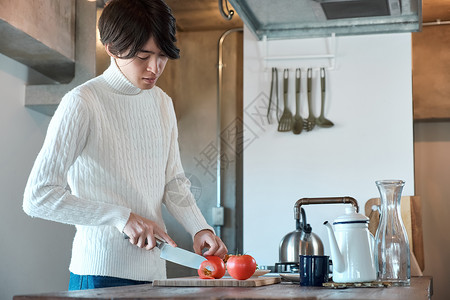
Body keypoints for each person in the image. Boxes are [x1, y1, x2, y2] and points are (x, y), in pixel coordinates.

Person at [23, 0, 227, 290]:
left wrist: (199, 227)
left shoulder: (162, 103)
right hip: (98, 272)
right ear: (112, 48)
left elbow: (174, 182)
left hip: (154, 274)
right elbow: (38, 197)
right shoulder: (83, 103)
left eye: (163, 56)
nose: (155, 68)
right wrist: (120, 217)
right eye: (144, 56)